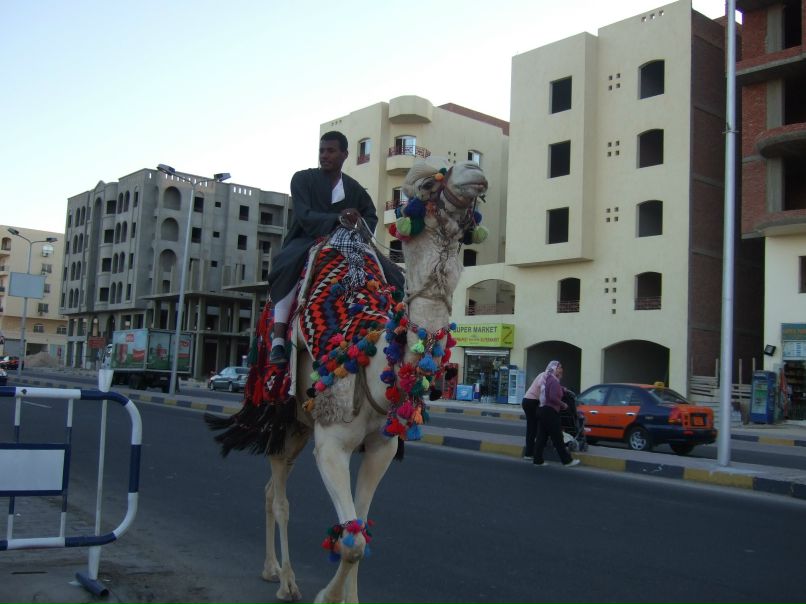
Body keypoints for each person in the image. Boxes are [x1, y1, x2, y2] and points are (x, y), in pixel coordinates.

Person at [266, 131, 404, 364]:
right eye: (322, 151)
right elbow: (304, 215)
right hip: (306, 239)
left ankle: (398, 325)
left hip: (349, 242)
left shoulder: (355, 189)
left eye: (330, 151)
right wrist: (338, 218)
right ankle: (278, 339)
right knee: (287, 268)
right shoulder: (302, 179)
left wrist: (358, 223)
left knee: (392, 274)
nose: (324, 155)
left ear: (344, 154)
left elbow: (370, 216)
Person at [533, 360, 580, 467]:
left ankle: (537, 460)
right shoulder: (553, 381)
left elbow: (551, 392)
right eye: (560, 367)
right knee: (558, 437)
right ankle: (567, 461)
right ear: (554, 369)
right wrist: (564, 405)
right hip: (550, 412)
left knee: (541, 436)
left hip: (542, 410)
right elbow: (553, 397)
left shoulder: (548, 379)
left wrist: (563, 389)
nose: (561, 370)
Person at [521, 369, 545, 459]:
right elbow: (542, 388)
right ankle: (529, 453)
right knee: (532, 427)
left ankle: (531, 451)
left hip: (529, 401)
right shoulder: (545, 375)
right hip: (531, 402)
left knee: (533, 427)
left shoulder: (546, 375)